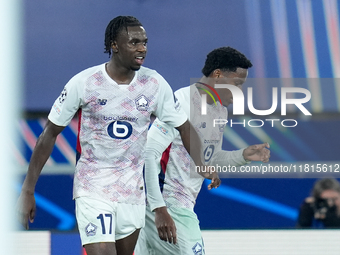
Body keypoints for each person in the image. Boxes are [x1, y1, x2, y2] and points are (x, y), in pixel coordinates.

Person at [16, 16, 211, 255]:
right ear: (114, 45)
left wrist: (201, 163)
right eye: (134, 42)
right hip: (94, 188)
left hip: (132, 195)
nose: (142, 49)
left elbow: (184, 126)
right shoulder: (85, 82)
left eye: (145, 42)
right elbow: (49, 133)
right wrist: (27, 190)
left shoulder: (154, 84)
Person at [135, 46, 271, 255]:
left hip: (177, 207)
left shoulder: (219, 111)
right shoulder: (180, 102)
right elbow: (149, 153)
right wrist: (159, 209)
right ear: (217, 74)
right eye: (237, 84)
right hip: (167, 206)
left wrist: (243, 155)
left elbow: (211, 157)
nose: (240, 92)